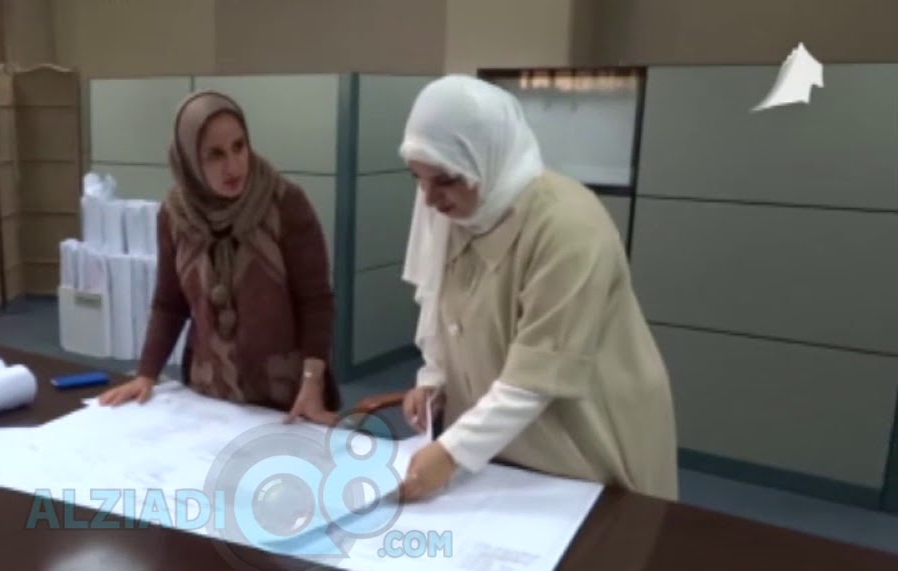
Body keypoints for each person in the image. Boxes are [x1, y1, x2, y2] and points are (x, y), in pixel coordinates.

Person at [396, 75, 678, 503]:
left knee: (599, 539)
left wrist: (453, 452)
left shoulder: (569, 227)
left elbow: (539, 376)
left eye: (445, 179)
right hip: (503, 444)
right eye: (418, 178)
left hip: (583, 442)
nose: (429, 199)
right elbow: (441, 303)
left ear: (487, 158)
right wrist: (435, 375)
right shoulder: (460, 209)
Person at [98, 91, 340, 423]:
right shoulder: (176, 215)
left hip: (287, 399)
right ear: (189, 160)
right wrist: (146, 374)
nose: (234, 166)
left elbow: (316, 301)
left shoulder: (284, 203)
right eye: (215, 155)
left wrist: (313, 382)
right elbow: (169, 304)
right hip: (210, 395)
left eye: (239, 147)